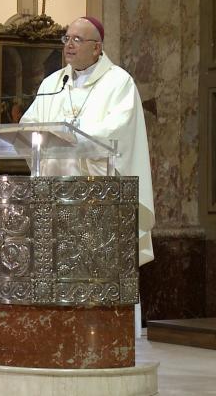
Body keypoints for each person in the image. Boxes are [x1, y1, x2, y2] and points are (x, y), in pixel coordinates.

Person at [19, 16, 155, 266]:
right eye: (67, 38)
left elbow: (118, 131)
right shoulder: (54, 82)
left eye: (77, 39)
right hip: (54, 197)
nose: (69, 44)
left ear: (96, 47)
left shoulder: (118, 82)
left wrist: (71, 136)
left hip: (99, 199)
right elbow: (28, 125)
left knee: (98, 269)